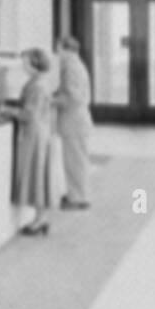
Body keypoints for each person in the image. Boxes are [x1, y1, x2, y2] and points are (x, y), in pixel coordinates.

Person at [2, 48, 57, 234]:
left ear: (35, 64)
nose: (23, 66)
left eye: (25, 63)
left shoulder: (37, 85)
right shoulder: (39, 82)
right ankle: (40, 218)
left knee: (36, 176)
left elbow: (29, 113)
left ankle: (40, 220)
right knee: (39, 175)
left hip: (34, 135)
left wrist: (7, 111)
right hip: (40, 132)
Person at [53, 36, 93, 209]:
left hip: (73, 120)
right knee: (77, 160)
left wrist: (50, 100)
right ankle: (77, 194)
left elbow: (72, 97)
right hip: (77, 119)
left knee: (74, 161)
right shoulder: (76, 65)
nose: (56, 53)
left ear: (65, 49)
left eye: (58, 49)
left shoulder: (71, 68)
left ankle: (77, 198)